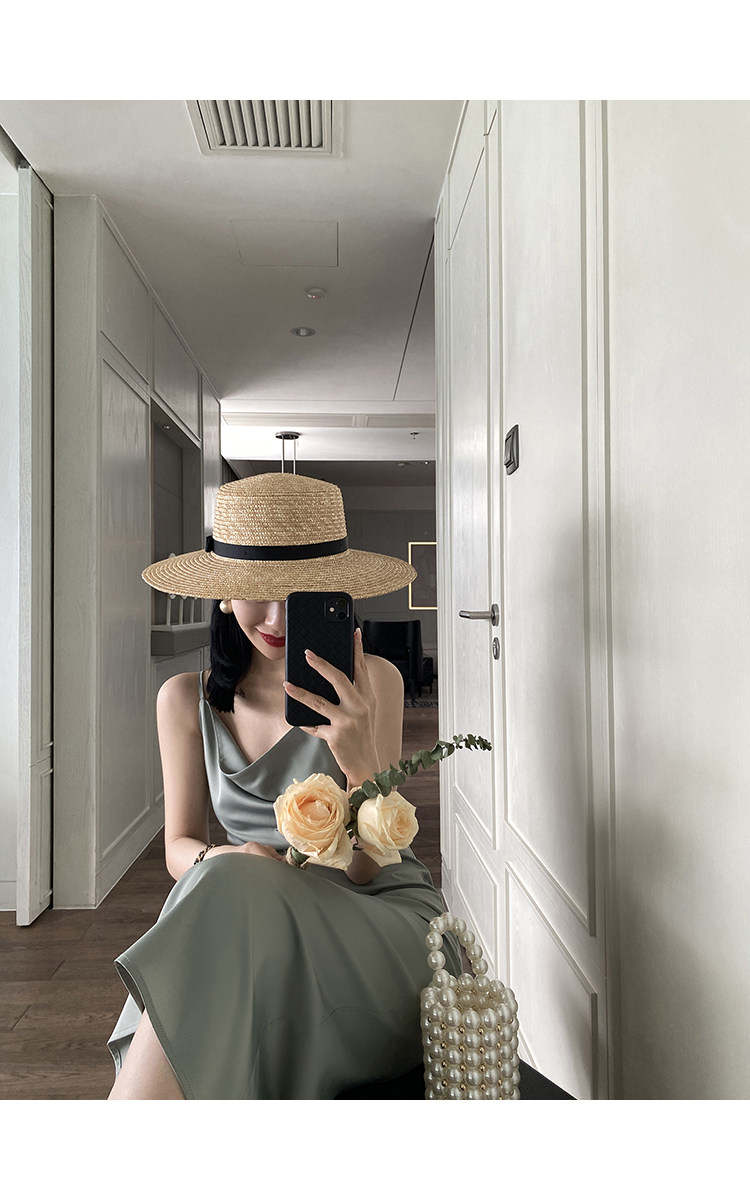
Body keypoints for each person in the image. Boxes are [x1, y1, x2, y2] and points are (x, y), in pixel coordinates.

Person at [107, 471, 460, 1100]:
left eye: (301, 596)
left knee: (219, 904)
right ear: (223, 594)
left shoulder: (375, 681)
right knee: (220, 884)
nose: (276, 619)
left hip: (380, 923)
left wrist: (357, 758)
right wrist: (235, 859)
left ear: (334, 597)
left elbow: (370, 869)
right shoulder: (184, 699)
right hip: (250, 917)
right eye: (257, 592)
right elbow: (179, 846)